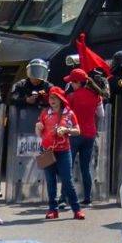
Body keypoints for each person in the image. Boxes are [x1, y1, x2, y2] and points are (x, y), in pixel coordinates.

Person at [37, 88, 83, 220]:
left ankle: (77, 209)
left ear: (61, 100)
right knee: (51, 181)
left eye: (54, 98)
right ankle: (53, 209)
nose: (52, 101)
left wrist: (67, 130)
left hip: (63, 150)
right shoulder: (45, 113)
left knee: (67, 181)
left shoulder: (69, 113)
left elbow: (78, 131)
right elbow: (40, 133)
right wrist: (37, 128)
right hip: (47, 151)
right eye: (50, 98)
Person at [63, 69, 104, 207]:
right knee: (85, 168)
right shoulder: (96, 96)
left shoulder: (72, 97)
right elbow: (101, 114)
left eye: (72, 82)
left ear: (78, 82)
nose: (70, 85)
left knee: (67, 167)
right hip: (90, 134)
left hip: (74, 134)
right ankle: (87, 199)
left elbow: (66, 115)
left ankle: (64, 198)